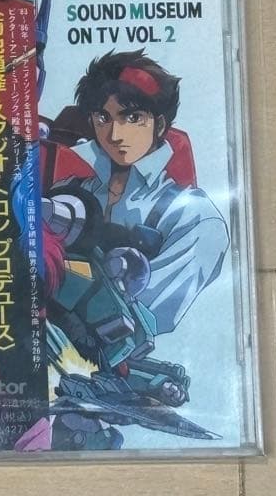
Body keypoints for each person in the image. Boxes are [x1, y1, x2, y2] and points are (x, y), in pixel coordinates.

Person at [41, 50, 229, 334]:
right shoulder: (69, 194)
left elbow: (147, 320)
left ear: (160, 124)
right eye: (103, 117)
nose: (115, 134)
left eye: (132, 117)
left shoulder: (196, 217)